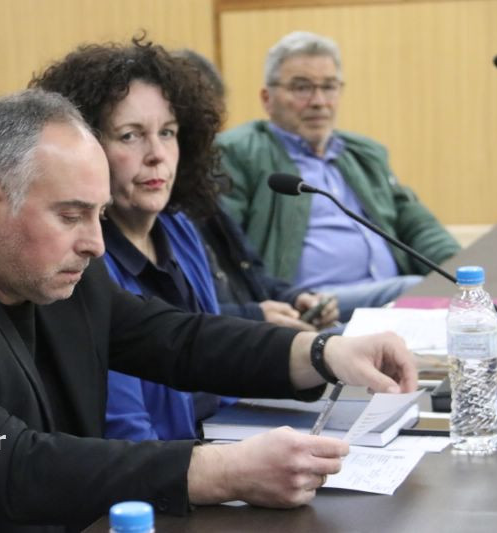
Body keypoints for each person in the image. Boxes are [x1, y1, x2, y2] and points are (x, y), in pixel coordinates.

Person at [0, 89, 417, 532]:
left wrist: (322, 352)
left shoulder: (41, 265)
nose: (95, 242)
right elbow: (8, 467)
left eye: (98, 214)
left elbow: (171, 338)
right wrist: (221, 470)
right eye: (71, 215)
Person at [30, 40, 336, 444]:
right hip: (164, 466)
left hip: (222, 436)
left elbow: (215, 364)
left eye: (168, 133)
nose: (157, 154)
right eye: (130, 135)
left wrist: (325, 356)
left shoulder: (179, 226)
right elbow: (125, 434)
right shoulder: (82, 258)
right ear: (86, 148)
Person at [216, 31, 460, 321]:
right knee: (414, 292)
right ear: (267, 99)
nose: (319, 101)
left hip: (386, 291)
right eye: (302, 88)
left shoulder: (364, 154)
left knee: (457, 298)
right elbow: (224, 244)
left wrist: (458, 269)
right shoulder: (239, 152)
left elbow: (416, 224)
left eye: (329, 87)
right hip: (312, 302)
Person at [173, 48, 340, 330]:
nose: (202, 144)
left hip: (259, 333)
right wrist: (256, 316)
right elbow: (176, 321)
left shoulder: (198, 190)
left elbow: (252, 273)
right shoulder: (154, 212)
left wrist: (295, 298)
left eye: (208, 129)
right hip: (239, 343)